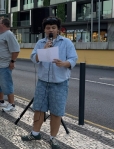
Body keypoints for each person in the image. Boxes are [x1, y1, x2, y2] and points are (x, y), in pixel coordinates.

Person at [21, 17, 78, 149]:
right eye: (48, 28)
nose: (50, 30)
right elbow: (33, 59)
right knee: (39, 108)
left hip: (59, 82)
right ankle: (35, 133)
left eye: (53, 27)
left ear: (58, 29)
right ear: (44, 30)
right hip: (43, 82)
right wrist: (43, 51)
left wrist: (65, 63)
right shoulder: (40, 42)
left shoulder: (66, 42)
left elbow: (73, 58)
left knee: (56, 112)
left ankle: (53, 138)